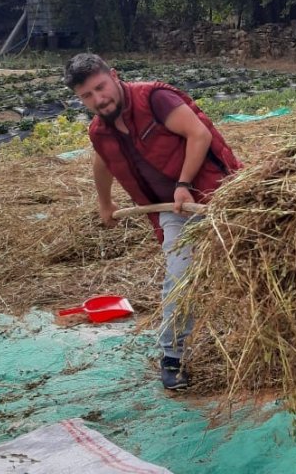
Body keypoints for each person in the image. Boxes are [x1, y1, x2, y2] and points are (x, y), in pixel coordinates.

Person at [63, 53, 242, 390]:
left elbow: (199, 135)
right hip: (173, 212)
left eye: (101, 88)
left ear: (114, 76)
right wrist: (105, 203)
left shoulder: (156, 99)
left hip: (221, 194)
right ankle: (172, 356)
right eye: (87, 96)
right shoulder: (100, 131)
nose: (99, 100)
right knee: (180, 275)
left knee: (251, 263)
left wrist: (184, 184)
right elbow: (102, 164)